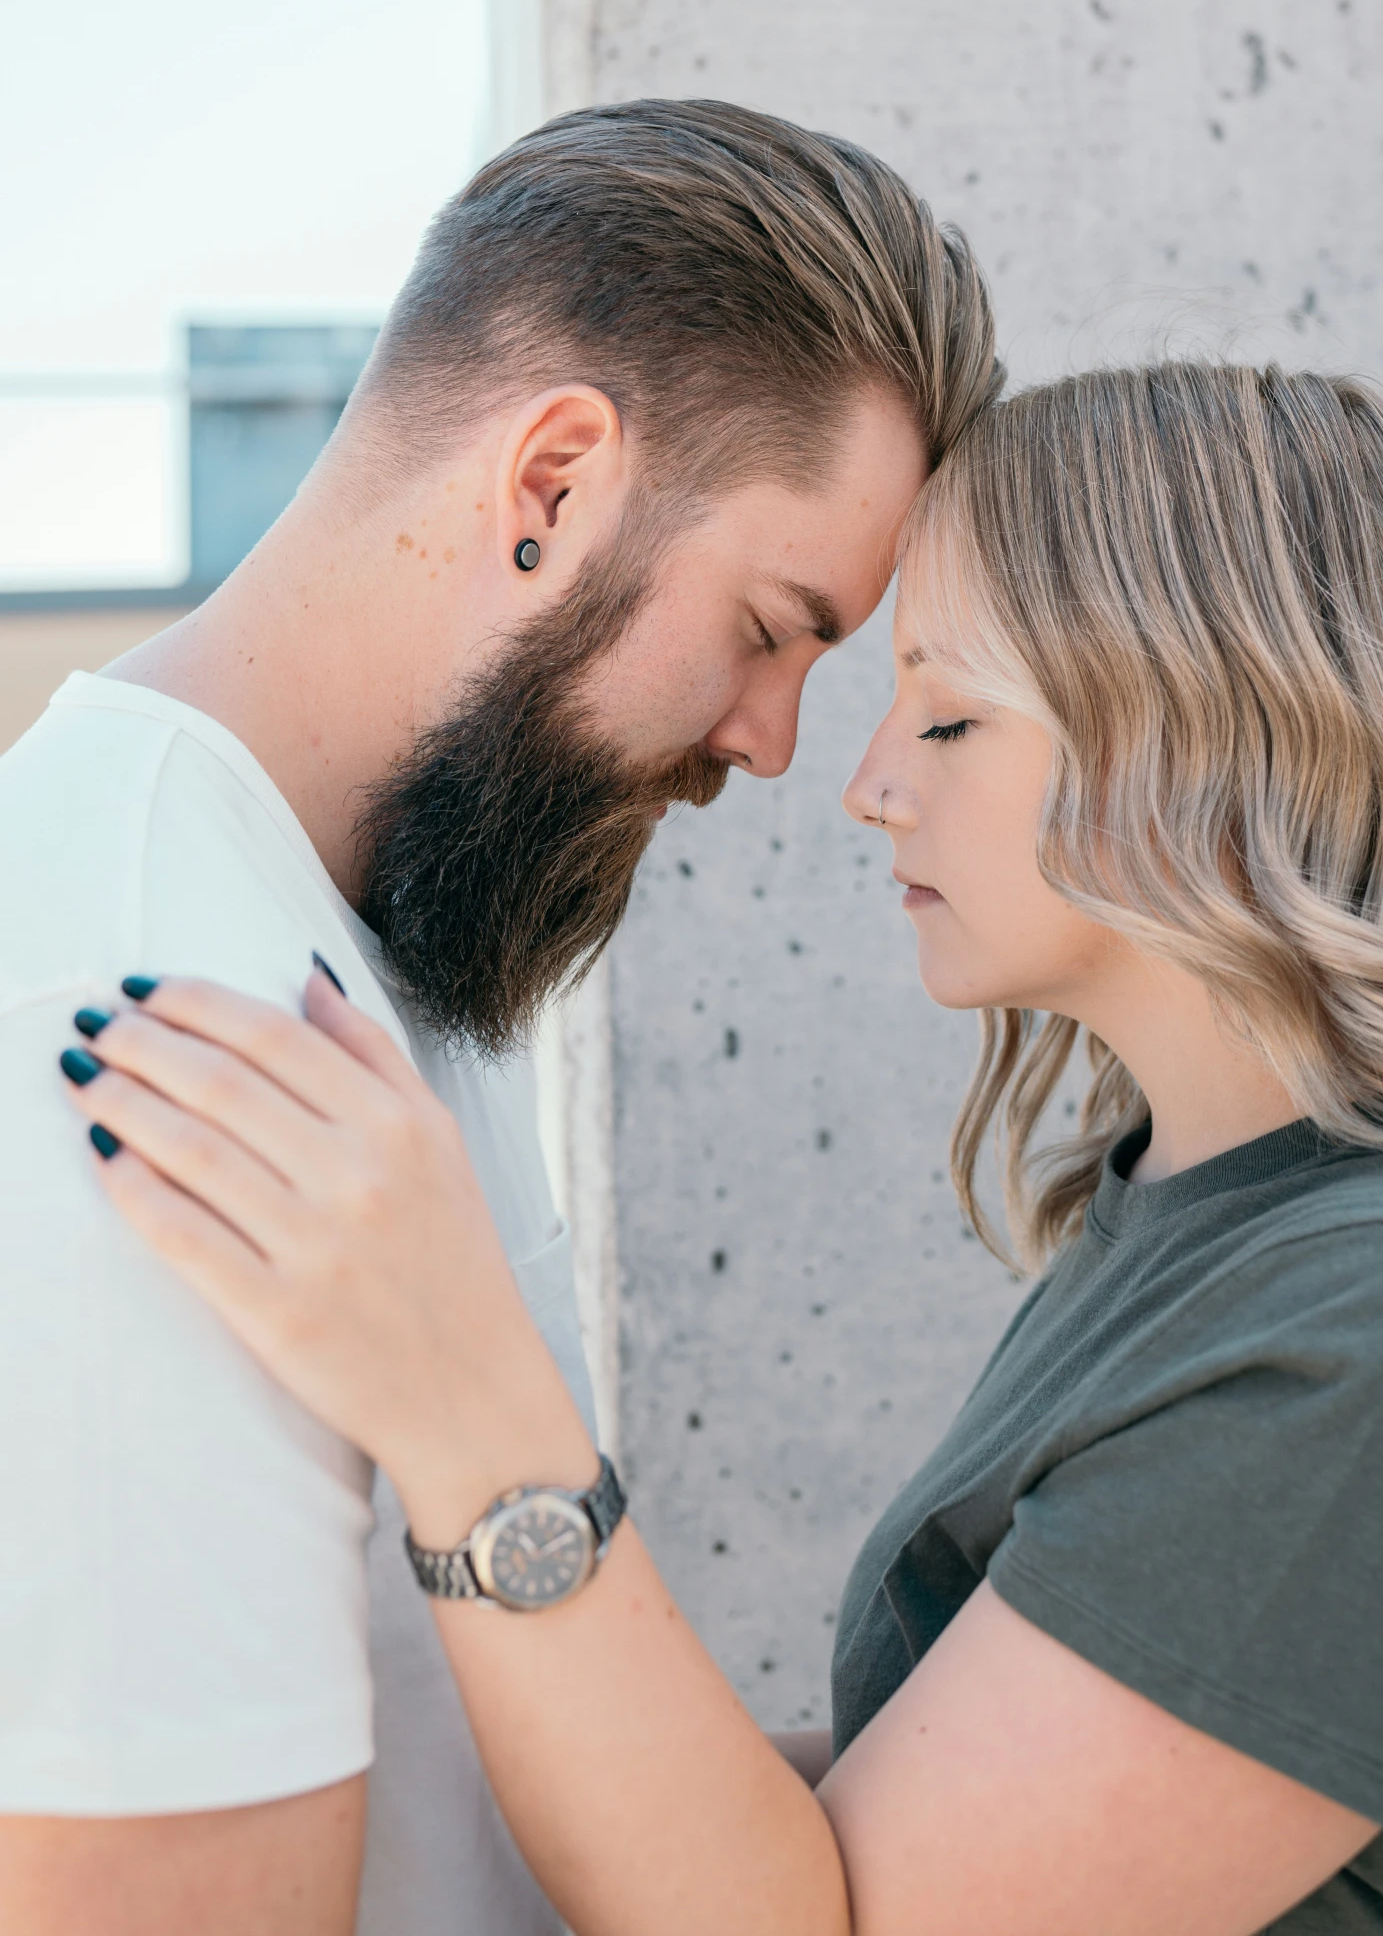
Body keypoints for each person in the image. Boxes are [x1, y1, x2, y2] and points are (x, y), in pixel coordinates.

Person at [53, 363, 1383, 1933]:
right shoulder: (1210, 1214)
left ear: (1213, 749)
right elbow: (899, 1836)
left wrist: (464, 1396)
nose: (856, 781)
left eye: (948, 718)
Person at [0, 99, 998, 1935]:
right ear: (552, 482)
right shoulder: (151, 1018)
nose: (773, 745)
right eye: (773, 628)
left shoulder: (415, 936)